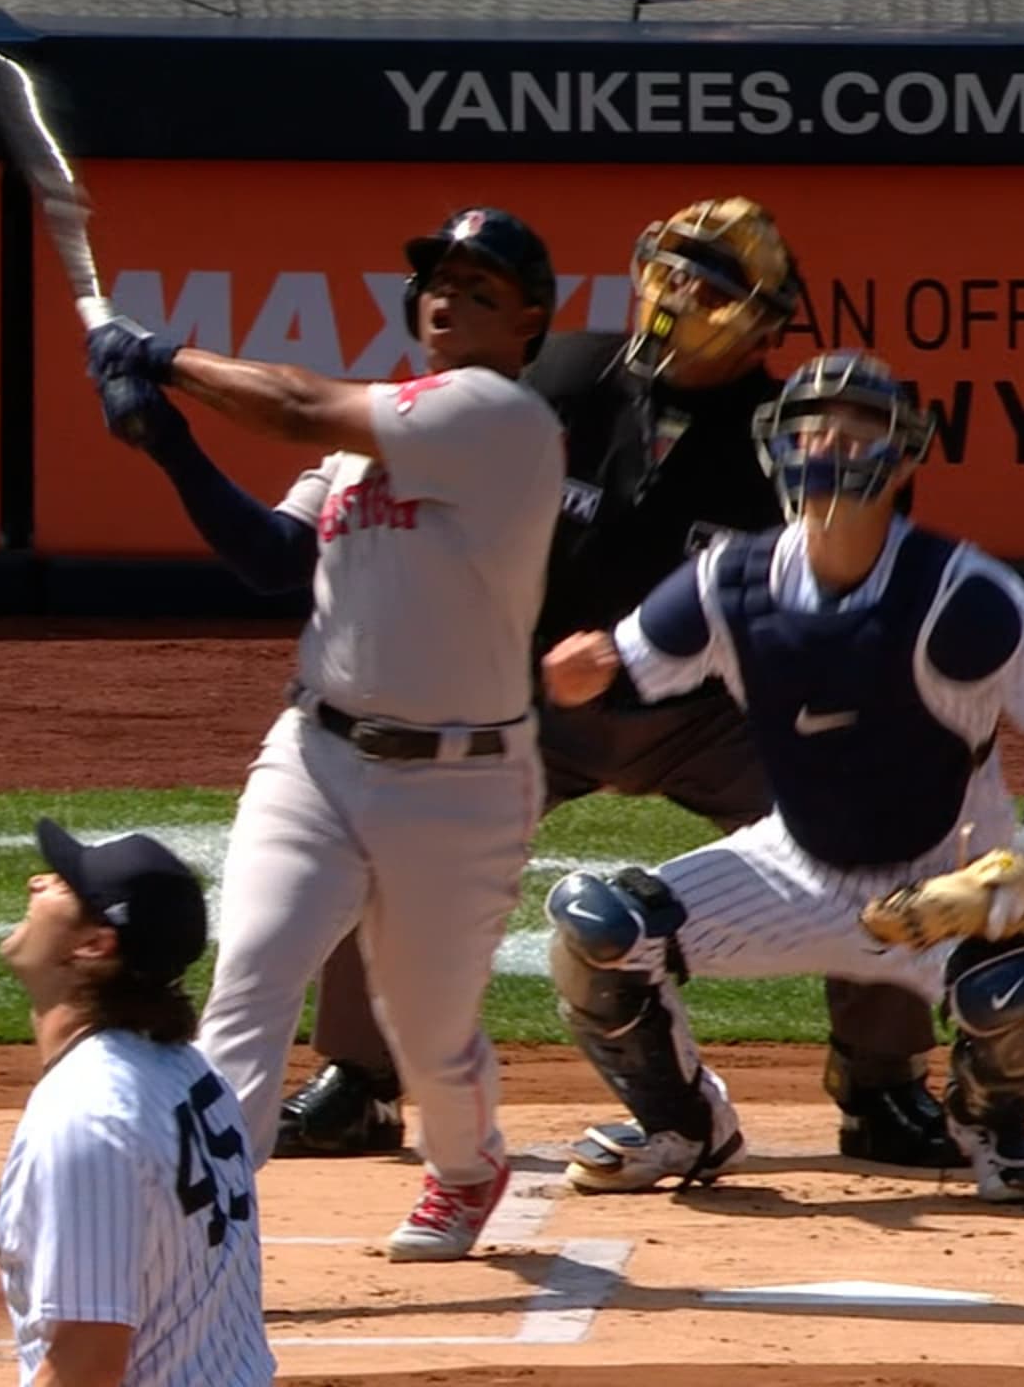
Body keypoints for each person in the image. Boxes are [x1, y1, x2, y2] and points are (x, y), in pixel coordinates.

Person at [282, 197, 964, 1174]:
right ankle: (357, 1078)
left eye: (713, 285)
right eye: (673, 269)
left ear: (765, 320)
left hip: (716, 713)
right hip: (529, 700)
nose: (682, 296)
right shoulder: (554, 379)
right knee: (385, 803)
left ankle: (882, 1084)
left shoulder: (798, 437)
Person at [83, 206, 565, 1263]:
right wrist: (168, 444)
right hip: (317, 755)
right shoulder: (368, 440)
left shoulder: (499, 421)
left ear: (529, 323)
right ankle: (192, 1229)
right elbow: (270, 558)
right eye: (441, 279)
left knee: (427, 1035)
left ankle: (469, 1166)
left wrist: (162, 359)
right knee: (249, 980)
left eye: (481, 291)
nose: (449, 298)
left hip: (461, 786)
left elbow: (296, 405)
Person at [534, 350, 1024, 1201]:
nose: (831, 449)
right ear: (778, 449)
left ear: (904, 455)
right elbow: (624, 670)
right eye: (813, 430)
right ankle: (684, 1127)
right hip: (796, 868)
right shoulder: (730, 580)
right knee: (598, 929)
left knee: (1018, 996)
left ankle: (987, 1126)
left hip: (946, 880)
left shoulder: (953, 592)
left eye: (858, 432)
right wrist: (582, 674)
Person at [0, 819, 277, 1387]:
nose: (36, 883)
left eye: (61, 885)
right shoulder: (187, 1073)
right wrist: (41, 1262)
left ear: (93, 944)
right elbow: (158, 1233)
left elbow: (89, 1367)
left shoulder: (87, 1116)